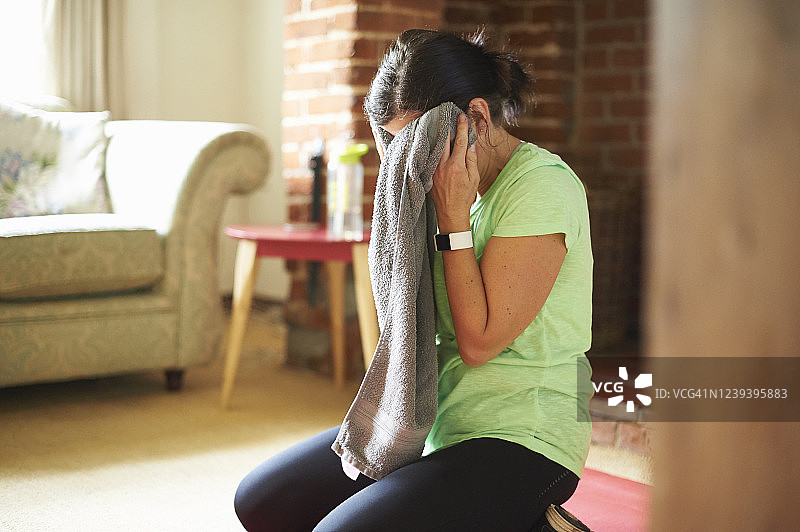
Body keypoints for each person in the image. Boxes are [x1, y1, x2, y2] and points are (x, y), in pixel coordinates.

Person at [235, 28, 593, 532]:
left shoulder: (544, 186)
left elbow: (479, 342)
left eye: (419, 142)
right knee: (261, 502)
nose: (407, 165)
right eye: (396, 148)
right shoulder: (423, 187)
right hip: (433, 420)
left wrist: (453, 221)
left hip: (524, 436)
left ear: (476, 118)